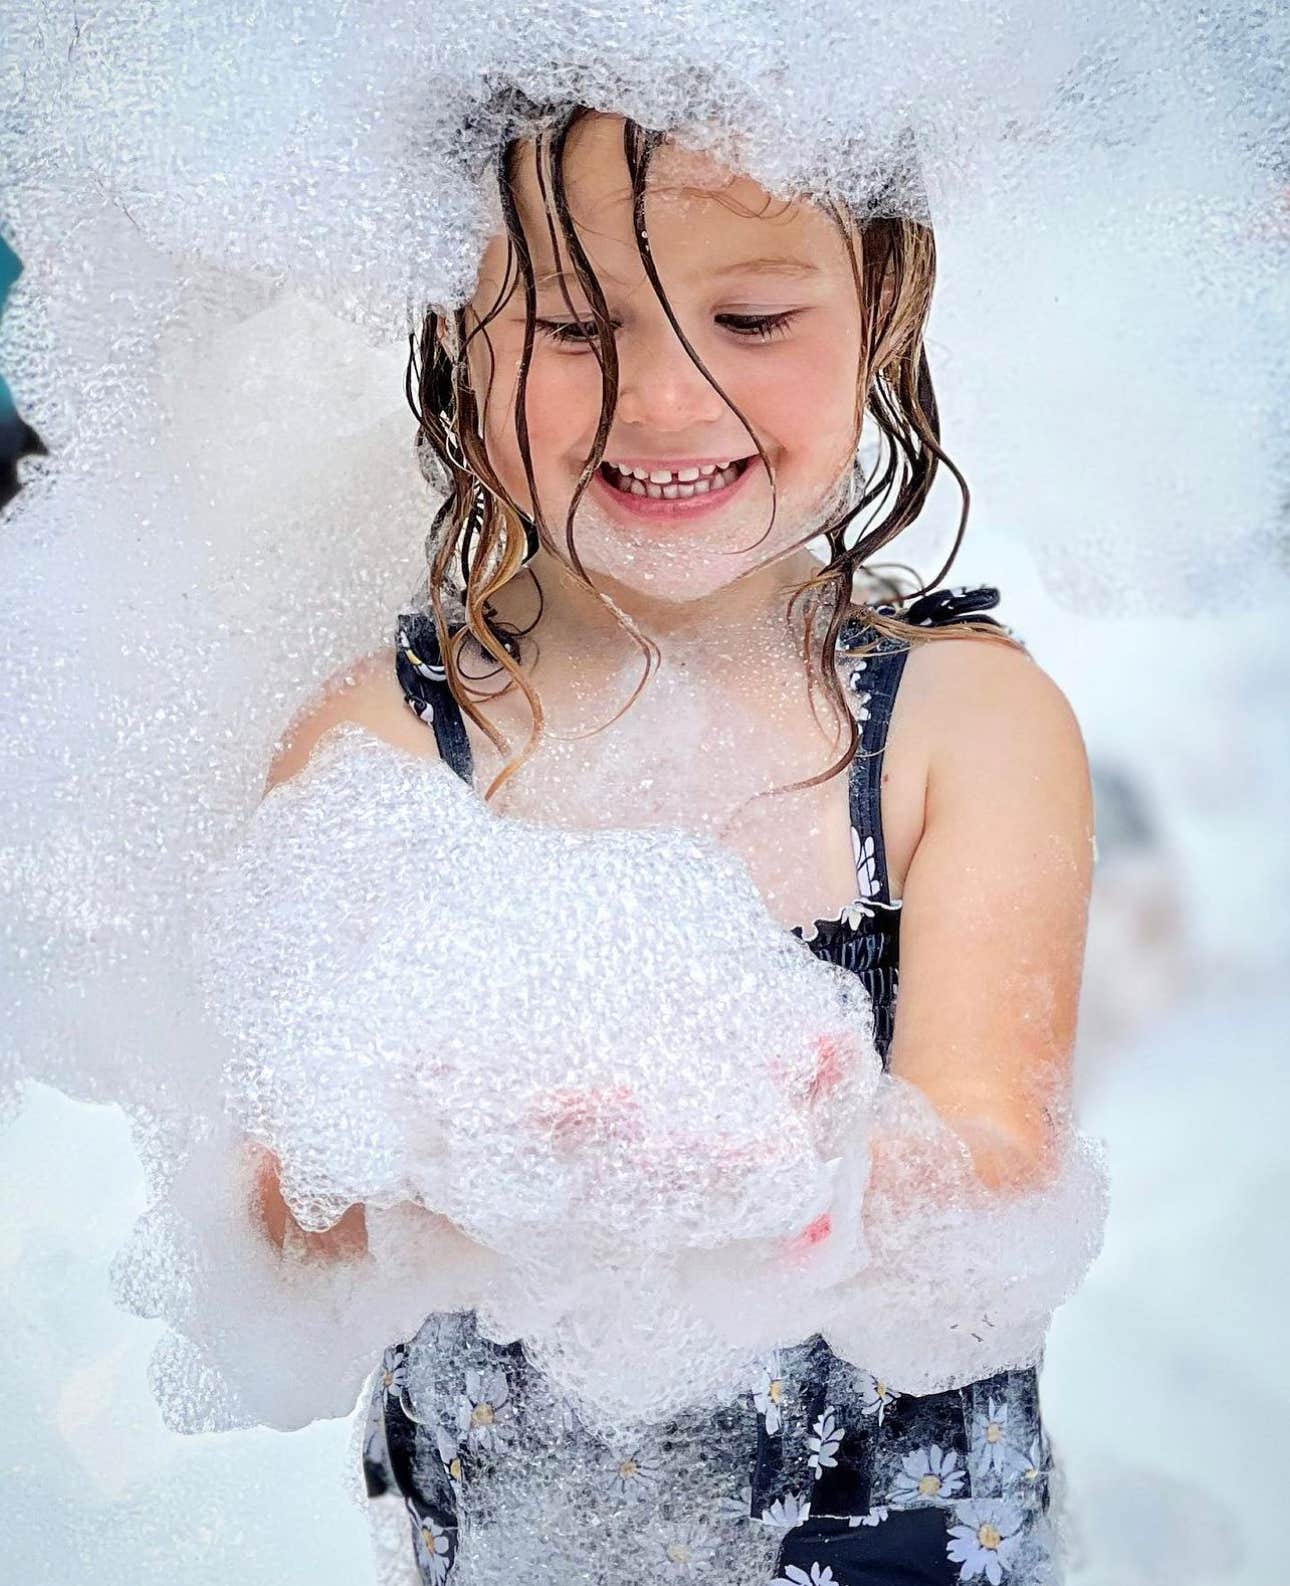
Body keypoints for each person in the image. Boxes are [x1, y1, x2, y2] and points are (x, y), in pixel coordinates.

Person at [254, 103, 1094, 1586]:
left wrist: (805, 1173)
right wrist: (472, 1172)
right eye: (574, 328)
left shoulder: (959, 728)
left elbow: (995, 1159)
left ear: (885, 309)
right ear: (455, 329)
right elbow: (282, 1202)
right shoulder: (384, 746)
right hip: (527, 1542)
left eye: (752, 318)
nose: (661, 398)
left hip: (909, 1538)